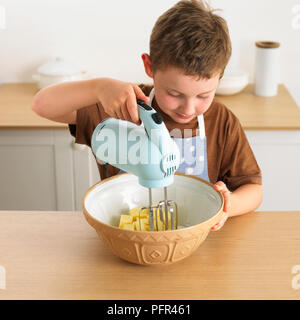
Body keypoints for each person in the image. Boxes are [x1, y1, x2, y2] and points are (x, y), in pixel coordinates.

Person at [32, 0, 263, 231]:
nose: (188, 108)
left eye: (203, 96)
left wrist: (228, 205)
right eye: (174, 93)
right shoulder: (119, 107)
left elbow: (253, 189)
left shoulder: (221, 122)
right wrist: (99, 88)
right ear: (149, 66)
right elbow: (42, 105)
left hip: (196, 246)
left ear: (220, 76)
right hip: (124, 241)